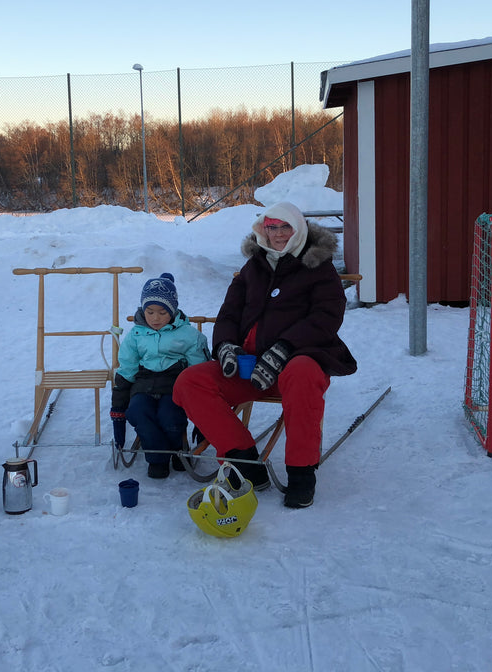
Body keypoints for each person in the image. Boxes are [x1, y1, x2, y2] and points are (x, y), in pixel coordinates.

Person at [173, 201, 357, 508]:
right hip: (249, 367)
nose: (279, 234)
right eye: (272, 227)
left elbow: (326, 316)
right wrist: (226, 346)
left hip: (297, 364)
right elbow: (229, 312)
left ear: (298, 229)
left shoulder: (318, 268)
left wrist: (284, 349)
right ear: (263, 229)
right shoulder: (253, 267)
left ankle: (301, 474)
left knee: (302, 372)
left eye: (286, 227)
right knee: (190, 381)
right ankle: (244, 462)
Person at [110, 273, 210, 479]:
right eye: (150, 311)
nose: (155, 318)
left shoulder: (188, 335)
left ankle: (176, 451)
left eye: (162, 312)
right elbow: (127, 368)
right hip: (144, 385)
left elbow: (198, 368)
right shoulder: (136, 335)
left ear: (172, 311)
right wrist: (119, 402)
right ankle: (158, 457)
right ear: (143, 309)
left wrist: (202, 401)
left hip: (174, 385)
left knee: (170, 416)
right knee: (137, 412)